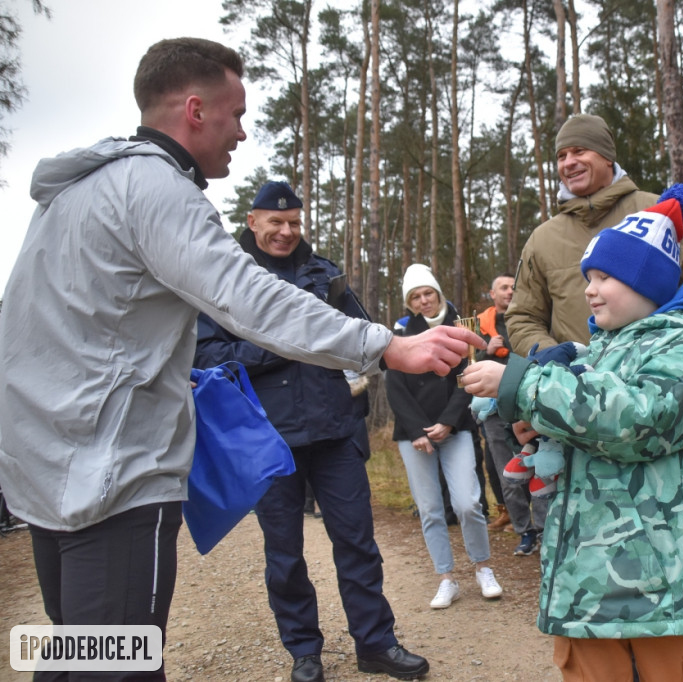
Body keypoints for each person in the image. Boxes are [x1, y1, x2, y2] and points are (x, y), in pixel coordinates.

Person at [0, 38, 480, 681]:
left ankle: (374, 640)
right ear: (195, 110)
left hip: (50, 470)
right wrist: (387, 344)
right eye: (236, 113)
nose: (244, 131)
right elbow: (249, 299)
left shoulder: (69, 197)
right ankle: (303, 652)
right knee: (119, 663)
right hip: (112, 479)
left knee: (70, 653)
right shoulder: (154, 187)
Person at [505, 113, 683, 682]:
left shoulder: (653, 211)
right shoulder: (544, 237)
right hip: (571, 407)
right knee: (592, 535)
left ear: (607, 153)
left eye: (581, 151)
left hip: (653, 400)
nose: (570, 162)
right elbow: (521, 314)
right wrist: (555, 367)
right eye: (561, 153)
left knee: (682, 533)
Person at [462, 187, 683, 682]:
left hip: (659, 594)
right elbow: (580, 418)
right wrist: (533, 418)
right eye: (588, 277)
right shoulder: (593, 351)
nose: (589, 289)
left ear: (648, 282)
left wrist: (524, 384)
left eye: (605, 276)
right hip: (585, 585)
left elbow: (639, 421)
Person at [192, 181, 427, 682]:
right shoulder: (226, 279)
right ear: (252, 222)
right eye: (274, 222)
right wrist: (285, 344)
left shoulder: (326, 276)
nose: (285, 231)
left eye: (294, 222)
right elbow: (207, 358)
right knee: (285, 554)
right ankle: (304, 651)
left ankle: (376, 643)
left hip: (335, 432)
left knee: (358, 543)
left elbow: (365, 339)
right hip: (267, 441)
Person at [385, 264, 504, 610]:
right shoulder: (402, 333)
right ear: (410, 302)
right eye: (416, 297)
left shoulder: (460, 327)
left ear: (438, 293)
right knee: (431, 509)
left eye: (428, 293)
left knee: (468, 502)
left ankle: (483, 568)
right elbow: (395, 388)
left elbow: (468, 378)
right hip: (415, 435)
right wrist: (417, 430)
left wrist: (449, 423)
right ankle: (446, 578)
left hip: (456, 428)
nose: (424, 301)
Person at [475, 273, 548, 555]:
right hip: (493, 408)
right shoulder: (480, 328)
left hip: (528, 403)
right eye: (503, 287)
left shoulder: (530, 319)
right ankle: (524, 532)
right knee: (508, 473)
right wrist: (485, 353)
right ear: (492, 294)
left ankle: (543, 531)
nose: (510, 291)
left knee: (539, 466)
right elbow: (466, 367)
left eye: (513, 287)